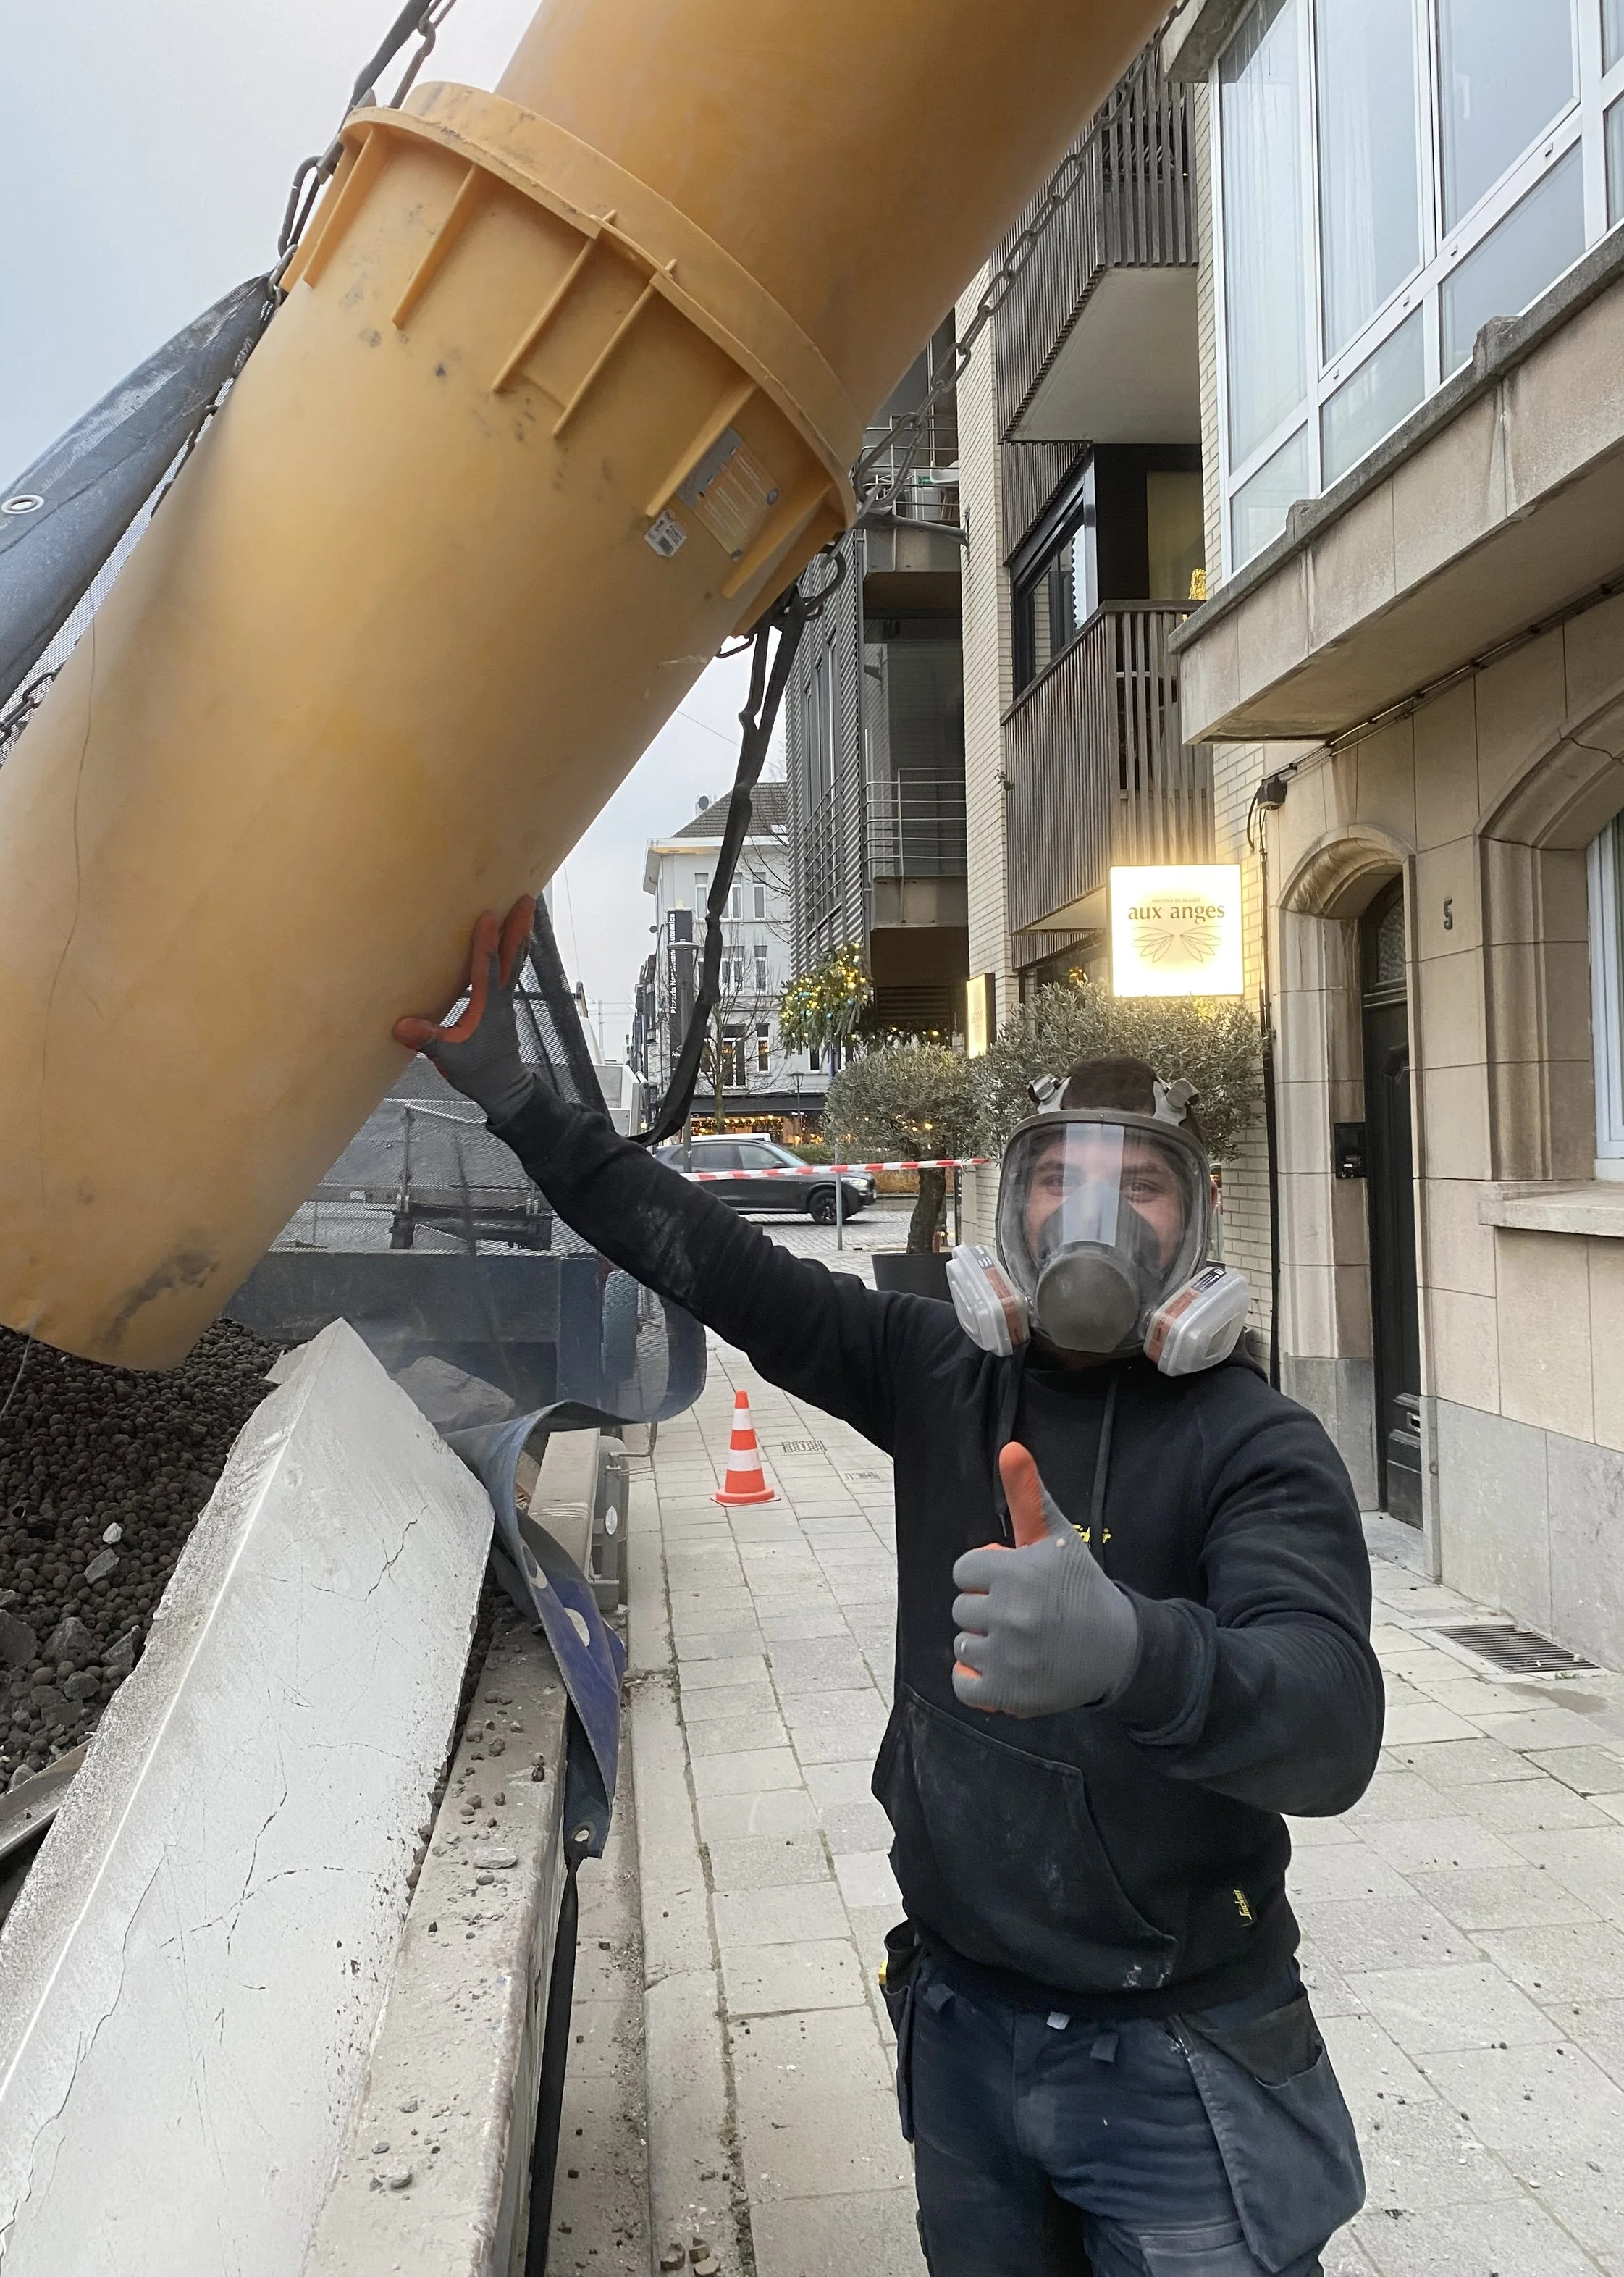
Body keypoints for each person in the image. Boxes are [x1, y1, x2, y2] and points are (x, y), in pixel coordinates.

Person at [395, 902, 1381, 2277]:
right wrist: (517, 1097)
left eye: (1140, 1184)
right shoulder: (940, 1375)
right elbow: (707, 1255)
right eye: (1056, 1176)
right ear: (1010, 1204)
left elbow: (1334, 1728)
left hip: (1179, 2057)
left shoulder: (1258, 1444)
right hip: (965, 2030)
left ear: (1198, 1222)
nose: (1090, 1212)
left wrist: (1139, 1655)